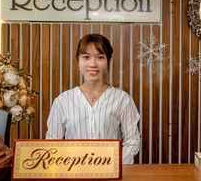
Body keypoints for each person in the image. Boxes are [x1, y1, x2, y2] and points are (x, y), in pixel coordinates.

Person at [45, 33, 141, 164]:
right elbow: (52, 144)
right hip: (72, 174)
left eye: (100, 57)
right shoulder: (62, 101)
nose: (93, 64)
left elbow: (132, 141)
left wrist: (114, 166)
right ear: (78, 61)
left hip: (111, 176)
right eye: (86, 57)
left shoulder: (122, 99)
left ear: (108, 62)